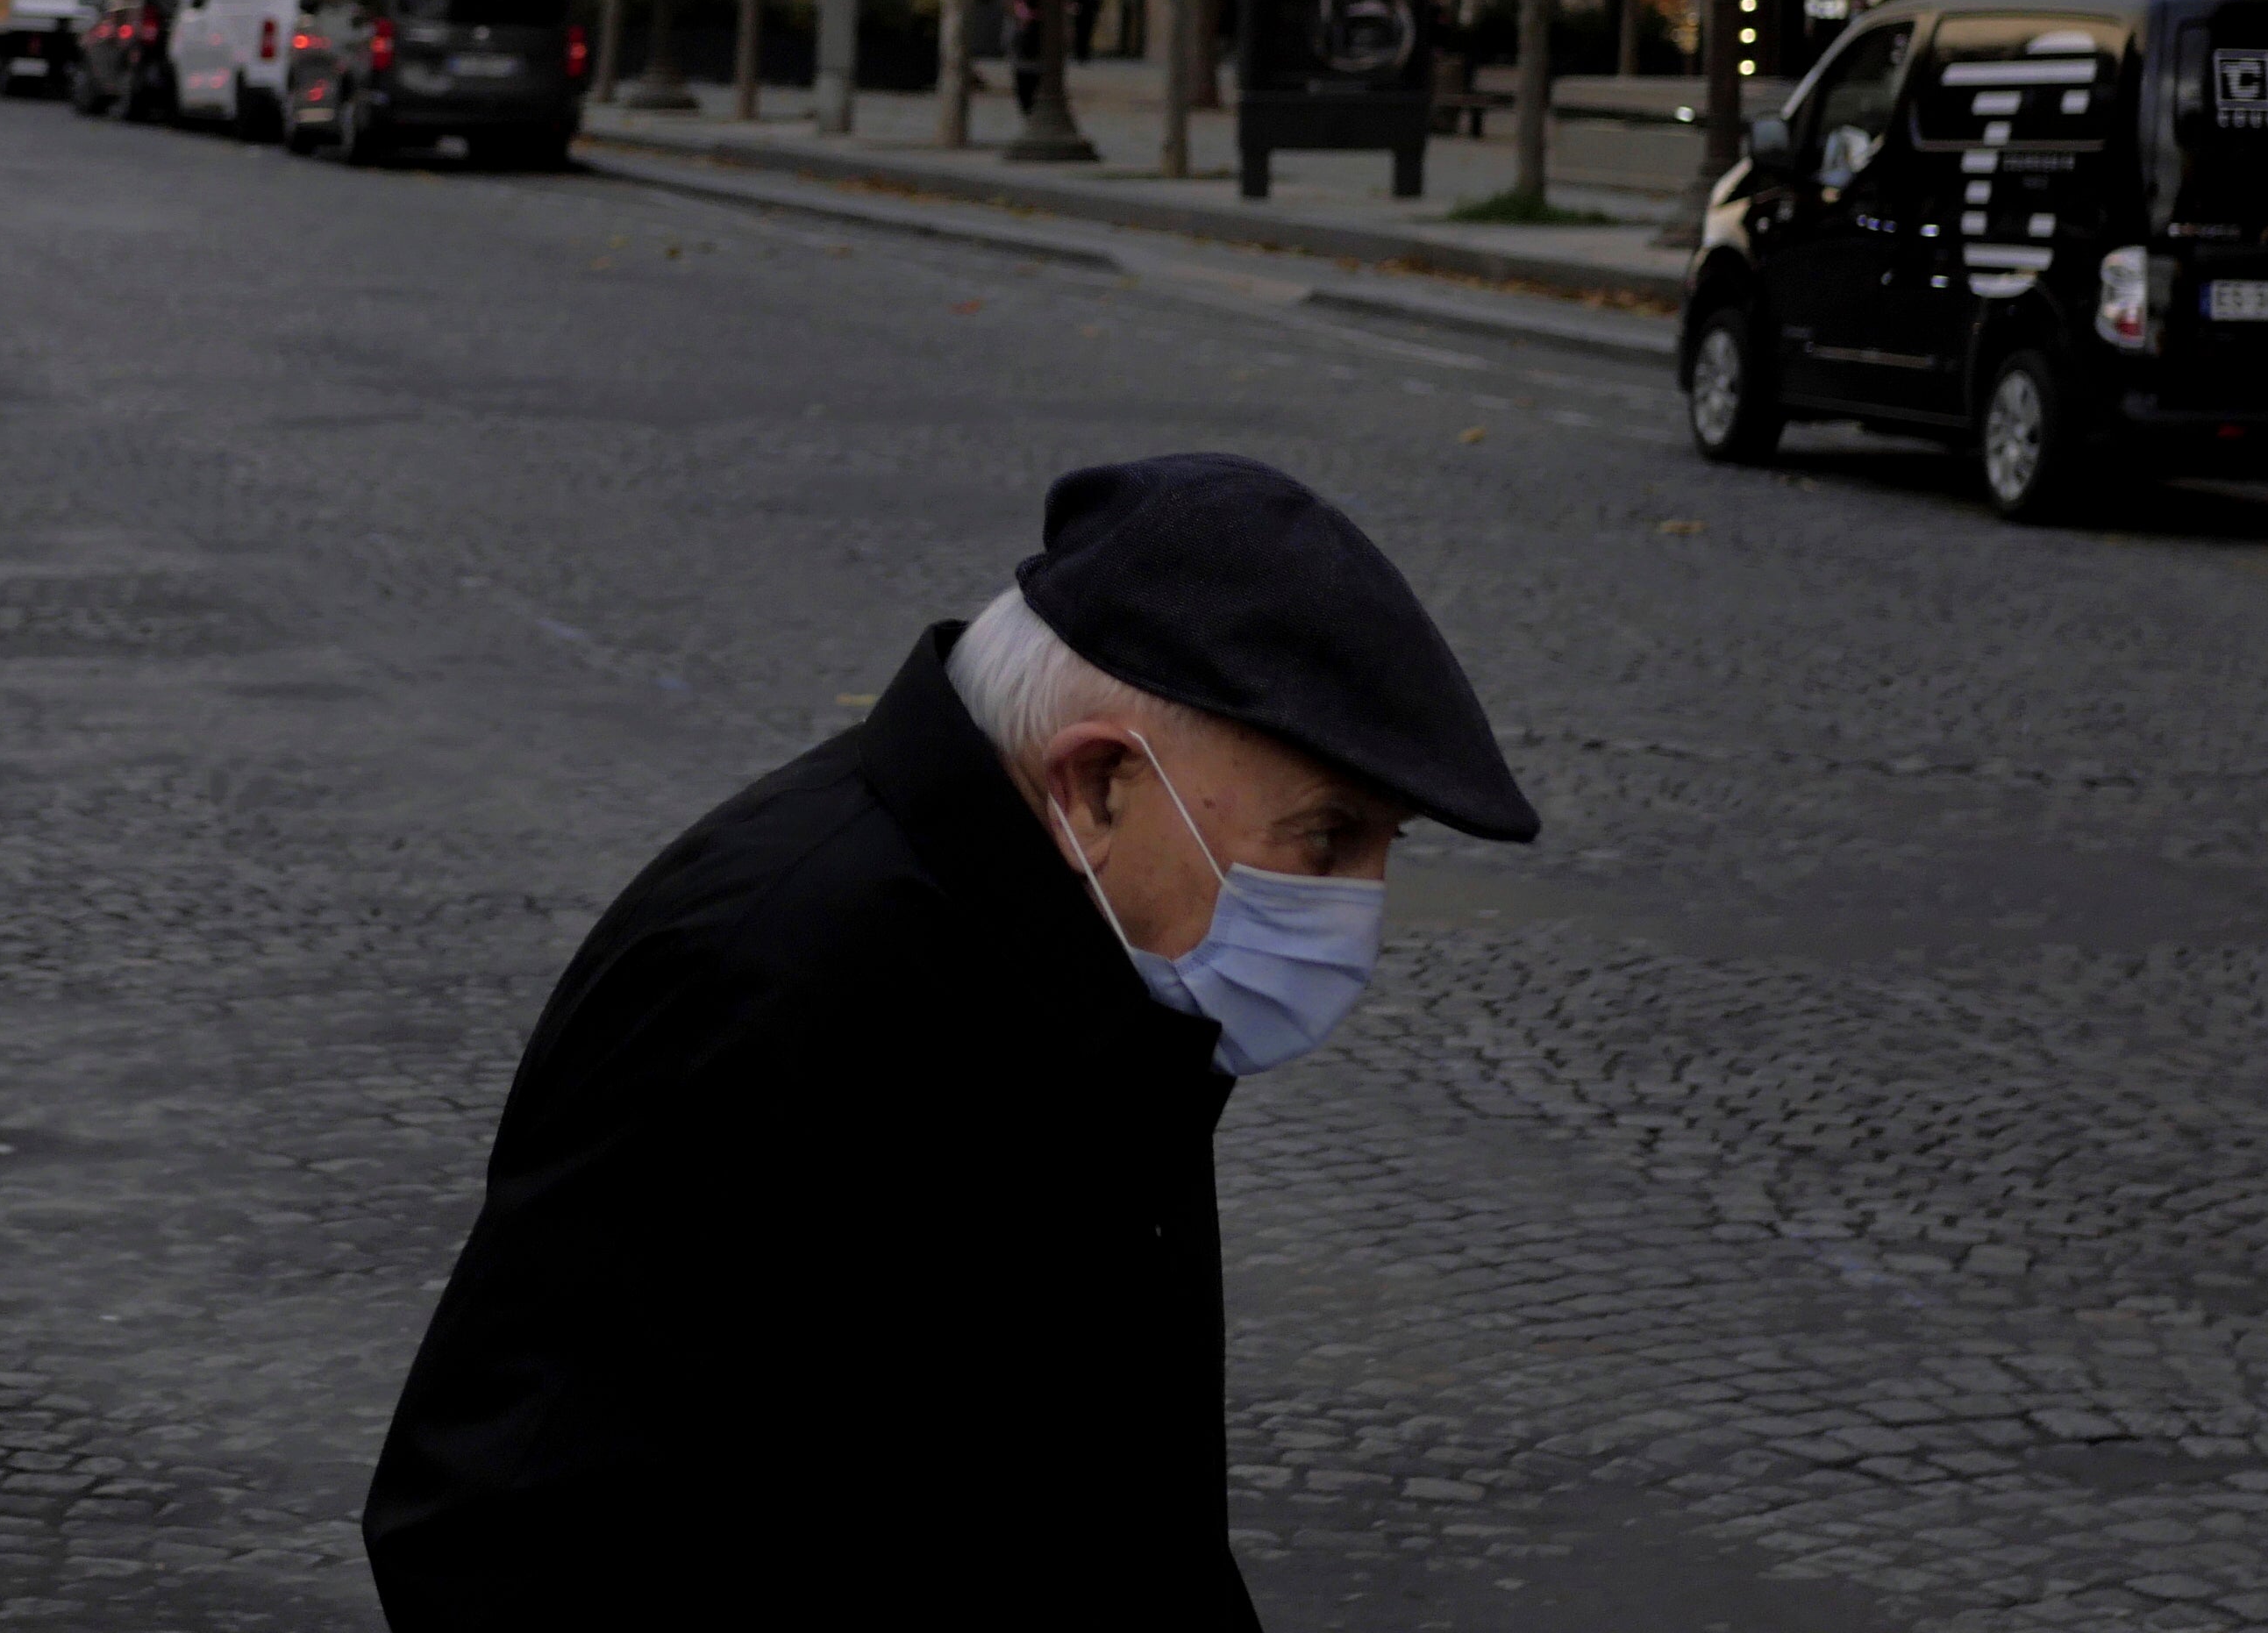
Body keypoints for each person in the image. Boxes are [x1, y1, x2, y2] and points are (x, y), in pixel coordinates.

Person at [362, 454, 1537, 1629]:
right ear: (1097, 787)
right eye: (1327, 838)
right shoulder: (769, 975)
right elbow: (497, 1535)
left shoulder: (1104, 972)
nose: (1360, 905)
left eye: (1390, 845)